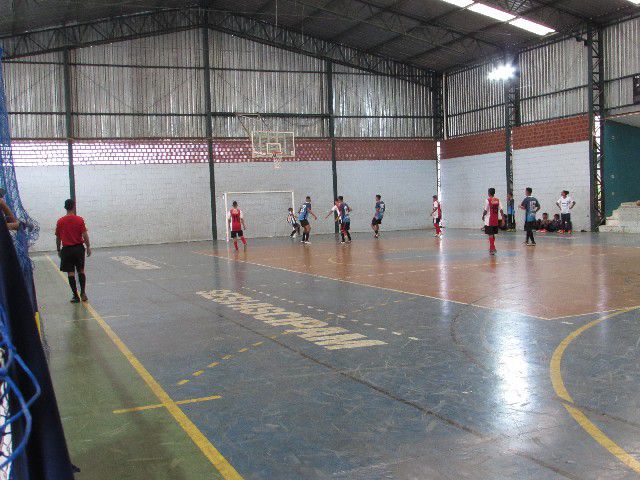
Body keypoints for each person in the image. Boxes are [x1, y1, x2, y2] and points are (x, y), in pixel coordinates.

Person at [55, 199, 91, 303]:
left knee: (70, 273)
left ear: (65, 207)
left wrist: (58, 249)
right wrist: (88, 246)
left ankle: (75, 295)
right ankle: (83, 292)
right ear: (74, 207)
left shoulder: (60, 221)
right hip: (78, 249)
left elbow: (58, 238)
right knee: (81, 270)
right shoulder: (79, 220)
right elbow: (84, 234)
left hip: (67, 249)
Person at [482, 188, 503, 255]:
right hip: (495, 220)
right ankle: (492, 247)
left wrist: (483, 215)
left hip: (489, 220)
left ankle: (492, 248)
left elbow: (485, 210)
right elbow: (501, 210)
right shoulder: (498, 200)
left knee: (490, 234)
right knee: (492, 234)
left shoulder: (488, 200)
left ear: (489, 193)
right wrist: (503, 218)